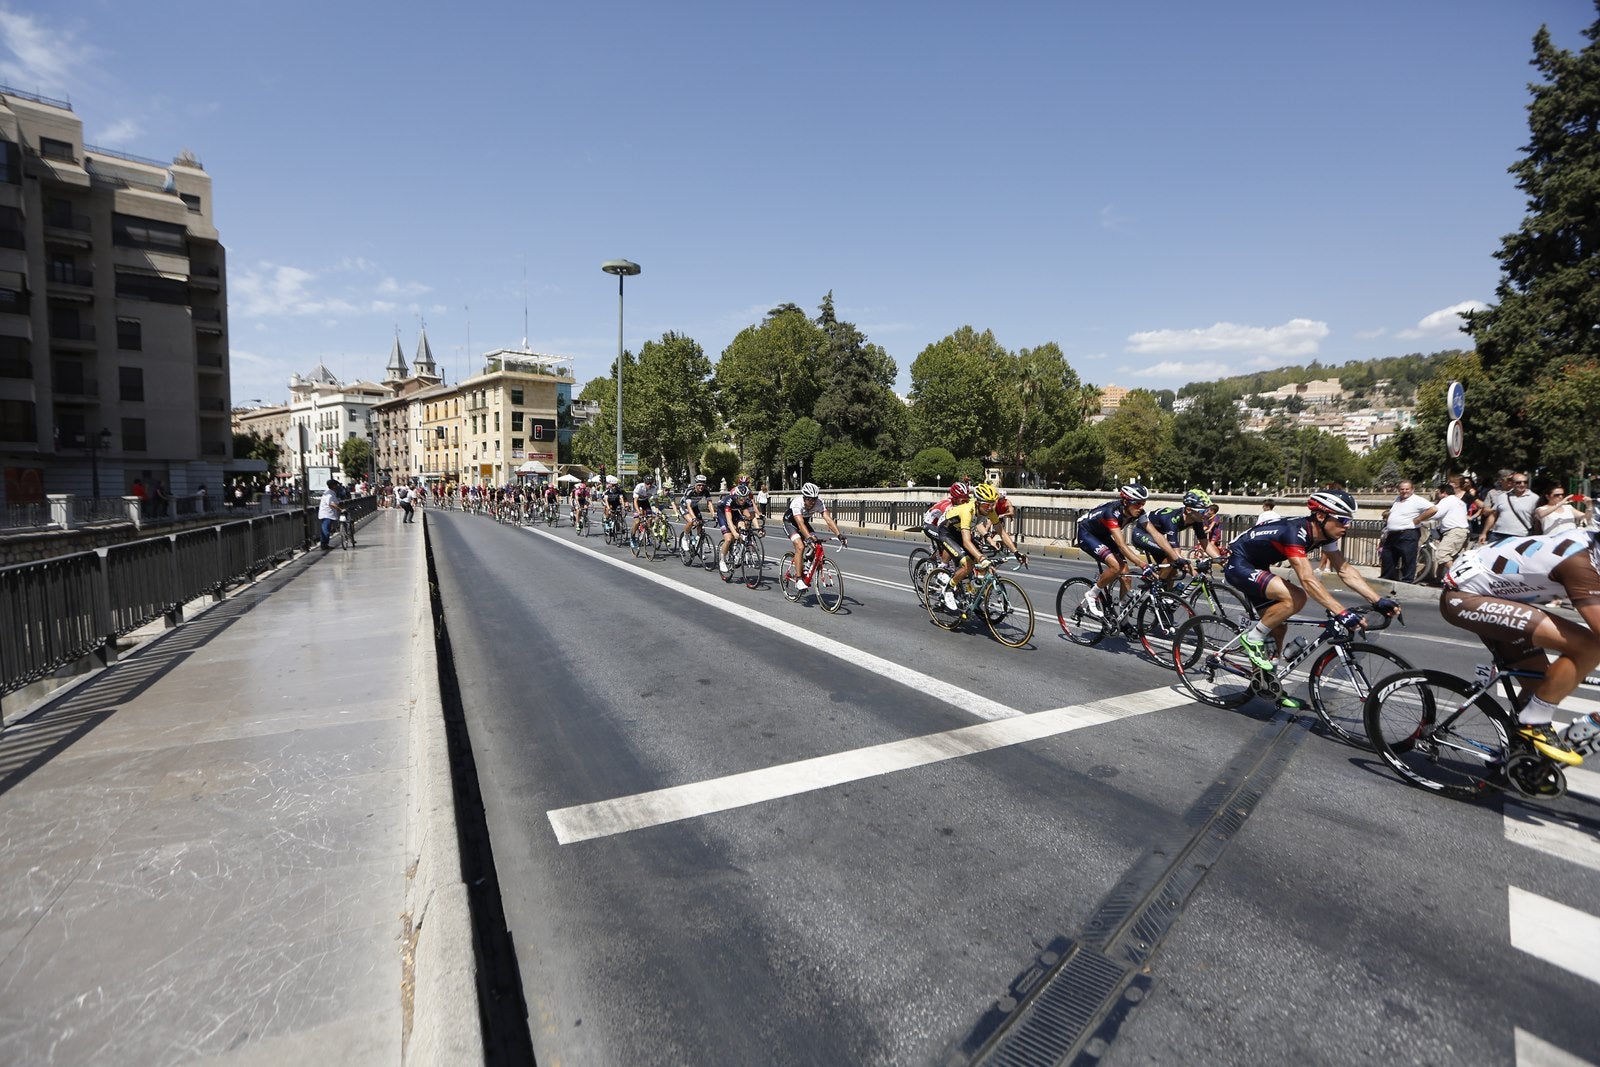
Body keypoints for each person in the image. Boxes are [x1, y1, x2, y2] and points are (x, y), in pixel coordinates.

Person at [1439, 524, 1600, 766]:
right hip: (1465, 597)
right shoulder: (1579, 562)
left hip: (1497, 596)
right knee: (1589, 646)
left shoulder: (1592, 546)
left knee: (1542, 686)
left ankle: (1516, 756)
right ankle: (1535, 723)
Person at [1224, 491, 1399, 691]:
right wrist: (1340, 611)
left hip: (1259, 565)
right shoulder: (1295, 533)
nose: (1347, 525)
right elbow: (1307, 579)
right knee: (1296, 597)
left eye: (1349, 520)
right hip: (1239, 564)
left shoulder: (1325, 536)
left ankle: (1266, 685)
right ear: (1321, 516)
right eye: (1342, 519)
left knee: (1278, 627)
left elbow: (1344, 570)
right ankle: (1252, 638)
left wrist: (1377, 600)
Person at [1075, 484, 1151, 618]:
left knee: (1126, 575)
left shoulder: (1136, 512)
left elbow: (1155, 534)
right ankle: (1092, 594)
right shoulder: (1111, 512)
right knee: (1116, 566)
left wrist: (1174, 556)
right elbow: (1122, 545)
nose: (1141, 508)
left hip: (1103, 535)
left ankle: (1123, 617)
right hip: (1087, 534)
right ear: (1126, 502)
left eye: (1143, 504)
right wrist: (1143, 565)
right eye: (1138, 504)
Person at [930, 481, 998, 611]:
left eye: (966, 499)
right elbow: (966, 539)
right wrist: (981, 558)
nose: (964, 501)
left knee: (975, 559)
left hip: (959, 531)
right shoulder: (955, 506)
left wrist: (1014, 551)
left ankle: (969, 590)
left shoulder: (982, 509)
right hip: (942, 529)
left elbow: (979, 525)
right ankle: (944, 577)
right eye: (962, 499)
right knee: (967, 563)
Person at [1132, 489, 1220, 581]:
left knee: (1173, 573)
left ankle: (1165, 594)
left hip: (1156, 536)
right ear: (1189, 510)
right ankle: (1158, 584)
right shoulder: (1172, 519)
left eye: (1207, 511)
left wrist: (1222, 561)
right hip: (1141, 534)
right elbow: (1175, 552)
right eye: (1203, 511)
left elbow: (1204, 542)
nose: (1206, 515)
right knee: (1173, 557)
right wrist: (1194, 573)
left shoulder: (1196, 519)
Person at [781, 482, 848, 592]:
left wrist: (839, 535)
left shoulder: (818, 503)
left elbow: (828, 519)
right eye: (809, 499)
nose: (812, 502)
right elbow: (800, 524)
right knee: (800, 546)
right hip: (791, 523)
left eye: (814, 499)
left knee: (816, 543)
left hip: (804, 523)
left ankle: (808, 561)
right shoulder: (797, 503)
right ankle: (798, 579)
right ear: (804, 497)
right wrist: (807, 538)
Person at [1412, 481, 1469, 584]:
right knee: (1449, 557)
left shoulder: (1447, 500)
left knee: (1442, 554)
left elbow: (1436, 514)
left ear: (1444, 493)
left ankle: (1457, 580)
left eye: (1438, 492)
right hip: (1461, 531)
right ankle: (1438, 579)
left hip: (1454, 531)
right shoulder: (1459, 502)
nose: (1437, 494)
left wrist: (1419, 518)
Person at [1380, 480, 1432, 583]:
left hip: (1408, 533)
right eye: (1402, 489)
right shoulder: (1398, 499)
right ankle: (1386, 580)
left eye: (1407, 489)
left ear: (1412, 489)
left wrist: (1419, 519)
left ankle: (1407, 581)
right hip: (1393, 534)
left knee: (1408, 559)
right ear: (1398, 490)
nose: (1404, 491)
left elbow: (1433, 509)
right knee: (1387, 557)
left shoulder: (1417, 500)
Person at [1479, 470, 1537, 545]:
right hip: (1498, 535)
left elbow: (1537, 520)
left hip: (1521, 536)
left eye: (1525, 482)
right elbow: (1493, 515)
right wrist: (1484, 533)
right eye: (1518, 482)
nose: (1522, 484)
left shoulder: (1534, 498)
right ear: (1512, 483)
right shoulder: (1502, 497)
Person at [716, 482, 758, 578]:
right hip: (723, 514)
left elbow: (752, 516)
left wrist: (758, 528)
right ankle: (722, 560)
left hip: (735, 512)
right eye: (741, 498)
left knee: (743, 527)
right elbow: (729, 520)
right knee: (729, 538)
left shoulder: (748, 501)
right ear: (736, 496)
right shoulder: (729, 501)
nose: (743, 500)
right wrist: (734, 532)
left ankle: (738, 552)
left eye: (745, 498)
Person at [317, 478, 344, 551]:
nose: (338, 486)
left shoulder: (331, 493)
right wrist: (340, 509)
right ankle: (324, 545)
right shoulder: (329, 494)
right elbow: (331, 504)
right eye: (336, 485)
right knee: (325, 530)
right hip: (326, 514)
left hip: (329, 514)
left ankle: (325, 544)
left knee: (327, 529)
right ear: (333, 486)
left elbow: (335, 502)